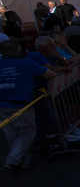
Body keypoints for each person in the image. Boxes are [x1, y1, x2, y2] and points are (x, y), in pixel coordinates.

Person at [0, 40, 55, 171]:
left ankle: (20, 157)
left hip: (2, 103)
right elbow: (49, 74)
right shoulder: (26, 63)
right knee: (27, 132)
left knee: (11, 132)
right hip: (21, 103)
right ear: (18, 50)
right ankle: (13, 160)